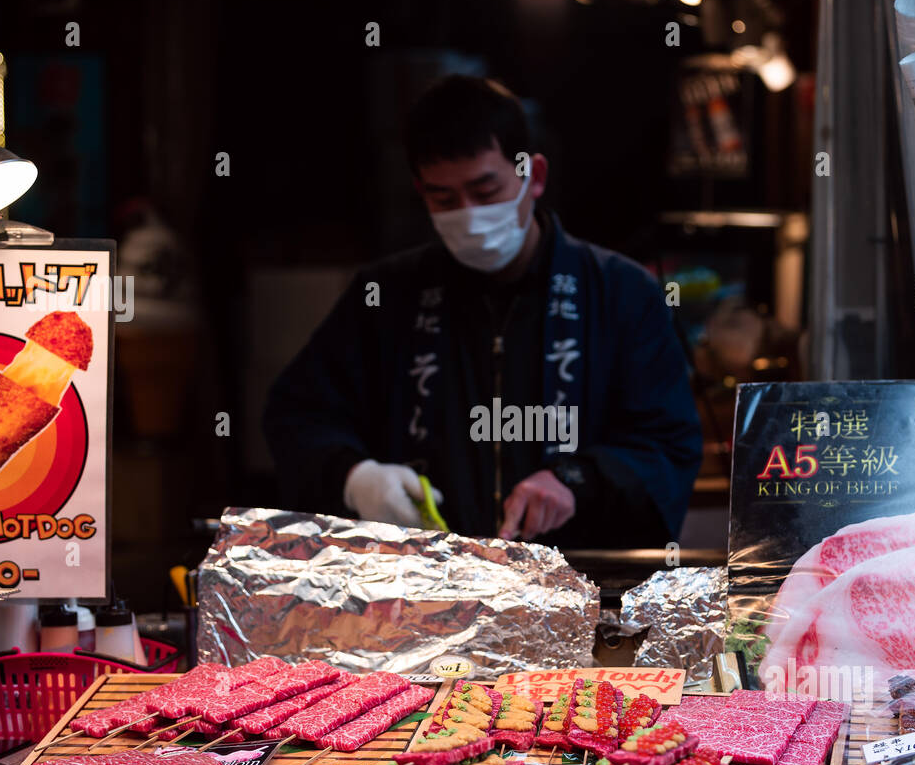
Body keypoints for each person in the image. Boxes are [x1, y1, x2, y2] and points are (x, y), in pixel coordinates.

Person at [264, 75, 701, 547]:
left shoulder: (622, 291)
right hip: (424, 591)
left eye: (485, 190)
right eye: (443, 198)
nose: (468, 214)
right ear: (419, 190)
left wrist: (575, 479)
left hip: (580, 583)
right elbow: (297, 413)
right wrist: (356, 476)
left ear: (533, 176)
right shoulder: (386, 295)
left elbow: (667, 442)